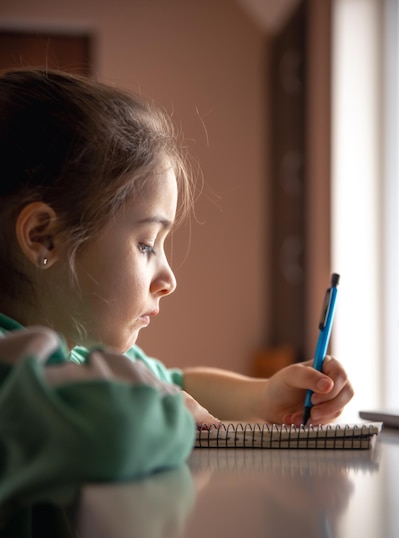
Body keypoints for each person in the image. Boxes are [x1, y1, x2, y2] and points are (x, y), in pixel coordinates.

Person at [0, 68, 354, 500]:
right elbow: (119, 429)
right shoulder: (12, 379)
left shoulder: (77, 351)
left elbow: (177, 382)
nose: (168, 279)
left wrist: (264, 396)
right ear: (43, 236)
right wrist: (173, 414)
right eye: (147, 244)